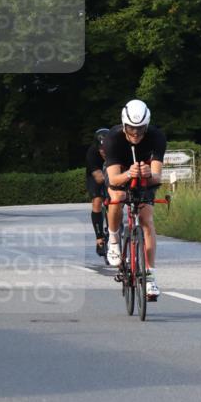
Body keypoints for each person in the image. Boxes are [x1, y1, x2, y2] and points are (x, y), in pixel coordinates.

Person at [103, 100, 166, 299]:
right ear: (124, 124)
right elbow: (113, 178)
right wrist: (129, 174)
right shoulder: (112, 139)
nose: (136, 133)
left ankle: (149, 277)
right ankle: (113, 239)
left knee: (146, 219)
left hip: (143, 175)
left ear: (147, 125)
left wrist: (148, 174)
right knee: (118, 196)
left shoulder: (157, 137)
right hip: (120, 172)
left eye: (140, 129)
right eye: (131, 128)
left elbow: (157, 176)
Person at [86, 128, 110, 257]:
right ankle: (99, 239)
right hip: (96, 176)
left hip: (112, 173)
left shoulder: (117, 149)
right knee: (97, 201)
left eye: (107, 149)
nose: (104, 153)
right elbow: (99, 177)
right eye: (102, 150)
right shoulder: (92, 153)